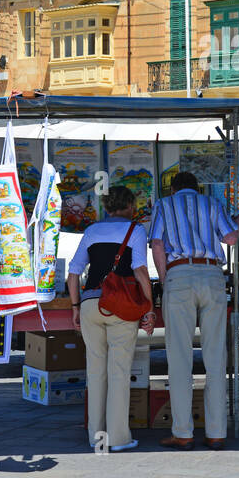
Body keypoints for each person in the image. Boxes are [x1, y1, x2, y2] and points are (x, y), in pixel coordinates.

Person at [149, 171, 239, 450]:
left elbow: (156, 244)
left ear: (174, 188)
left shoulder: (163, 205)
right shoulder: (212, 204)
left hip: (179, 274)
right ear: (196, 187)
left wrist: (165, 279)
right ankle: (216, 433)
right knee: (215, 358)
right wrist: (237, 224)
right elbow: (232, 239)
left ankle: (183, 432)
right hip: (213, 274)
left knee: (180, 359)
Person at [68, 185, 154, 453]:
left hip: (91, 305)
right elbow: (140, 271)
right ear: (130, 206)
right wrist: (149, 307)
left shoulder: (92, 231)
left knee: (95, 373)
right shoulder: (135, 230)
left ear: (106, 208)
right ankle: (118, 439)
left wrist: (75, 307)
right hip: (121, 306)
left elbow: (73, 272)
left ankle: (97, 438)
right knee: (118, 373)